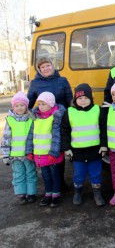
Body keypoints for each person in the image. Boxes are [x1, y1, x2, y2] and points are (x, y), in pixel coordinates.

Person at [27, 57, 73, 191]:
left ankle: (61, 182)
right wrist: (26, 114)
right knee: (47, 149)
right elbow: (29, 102)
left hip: (61, 119)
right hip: (44, 120)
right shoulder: (35, 83)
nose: (46, 68)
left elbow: (69, 100)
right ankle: (51, 184)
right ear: (39, 69)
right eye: (42, 67)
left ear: (53, 66)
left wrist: (71, 117)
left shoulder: (62, 80)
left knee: (59, 149)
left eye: (48, 65)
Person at [61, 83, 107, 207]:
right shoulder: (69, 112)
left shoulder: (98, 110)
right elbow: (64, 131)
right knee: (79, 174)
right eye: (80, 98)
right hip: (77, 151)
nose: (83, 101)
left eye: (86, 98)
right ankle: (78, 192)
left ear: (91, 98)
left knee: (95, 173)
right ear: (75, 99)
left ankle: (97, 193)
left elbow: (103, 129)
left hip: (95, 150)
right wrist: (66, 148)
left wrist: (104, 145)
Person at [26, 92, 66, 208]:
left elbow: (56, 136)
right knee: (46, 176)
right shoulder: (36, 118)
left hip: (51, 154)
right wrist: (30, 151)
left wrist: (54, 152)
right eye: (39, 104)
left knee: (55, 175)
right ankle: (48, 194)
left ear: (51, 105)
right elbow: (31, 136)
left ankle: (56, 195)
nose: (40, 106)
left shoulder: (55, 118)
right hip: (40, 154)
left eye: (43, 104)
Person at [0, 91, 38, 205]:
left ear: (26, 106)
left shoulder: (31, 119)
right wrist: (5, 154)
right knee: (18, 174)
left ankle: (31, 194)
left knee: (31, 173)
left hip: (28, 154)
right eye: (17, 105)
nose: (19, 108)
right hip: (15, 156)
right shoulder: (10, 120)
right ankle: (21, 194)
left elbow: (35, 136)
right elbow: (6, 138)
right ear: (13, 107)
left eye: (22, 105)